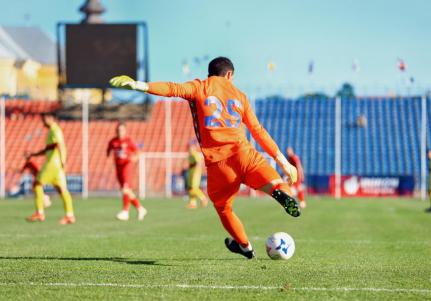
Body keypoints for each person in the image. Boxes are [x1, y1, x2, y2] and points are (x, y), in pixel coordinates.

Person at [110, 56, 301, 259]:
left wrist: (140, 85)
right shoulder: (240, 96)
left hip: (218, 165)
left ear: (210, 73)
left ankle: (245, 247)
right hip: (244, 154)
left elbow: (172, 88)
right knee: (277, 184)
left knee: (224, 208)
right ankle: (279, 193)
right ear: (229, 75)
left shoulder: (200, 87)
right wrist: (282, 161)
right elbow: (258, 131)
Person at [26, 113, 75, 224]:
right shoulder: (51, 131)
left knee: (37, 184)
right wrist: (33, 154)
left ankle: (40, 212)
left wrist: (63, 161)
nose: (43, 122)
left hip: (53, 164)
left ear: (50, 119)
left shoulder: (55, 130)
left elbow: (60, 145)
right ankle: (70, 215)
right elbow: (48, 149)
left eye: (44, 119)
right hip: (57, 165)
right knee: (62, 189)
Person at [107, 122, 147, 221]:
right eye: (118, 130)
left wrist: (134, 158)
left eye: (121, 130)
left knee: (126, 188)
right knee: (127, 191)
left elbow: (138, 152)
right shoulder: (113, 141)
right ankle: (140, 208)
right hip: (118, 167)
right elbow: (108, 151)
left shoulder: (129, 141)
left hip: (127, 166)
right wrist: (108, 157)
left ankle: (125, 212)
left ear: (125, 131)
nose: (120, 132)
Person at [186, 140, 208, 209]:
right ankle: (193, 203)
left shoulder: (195, 154)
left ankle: (203, 198)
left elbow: (199, 163)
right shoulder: (190, 155)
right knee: (190, 189)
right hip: (191, 173)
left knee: (194, 188)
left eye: (191, 147)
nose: (189, 148)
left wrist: (197, 172)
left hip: (195, 173)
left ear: (194, 147)